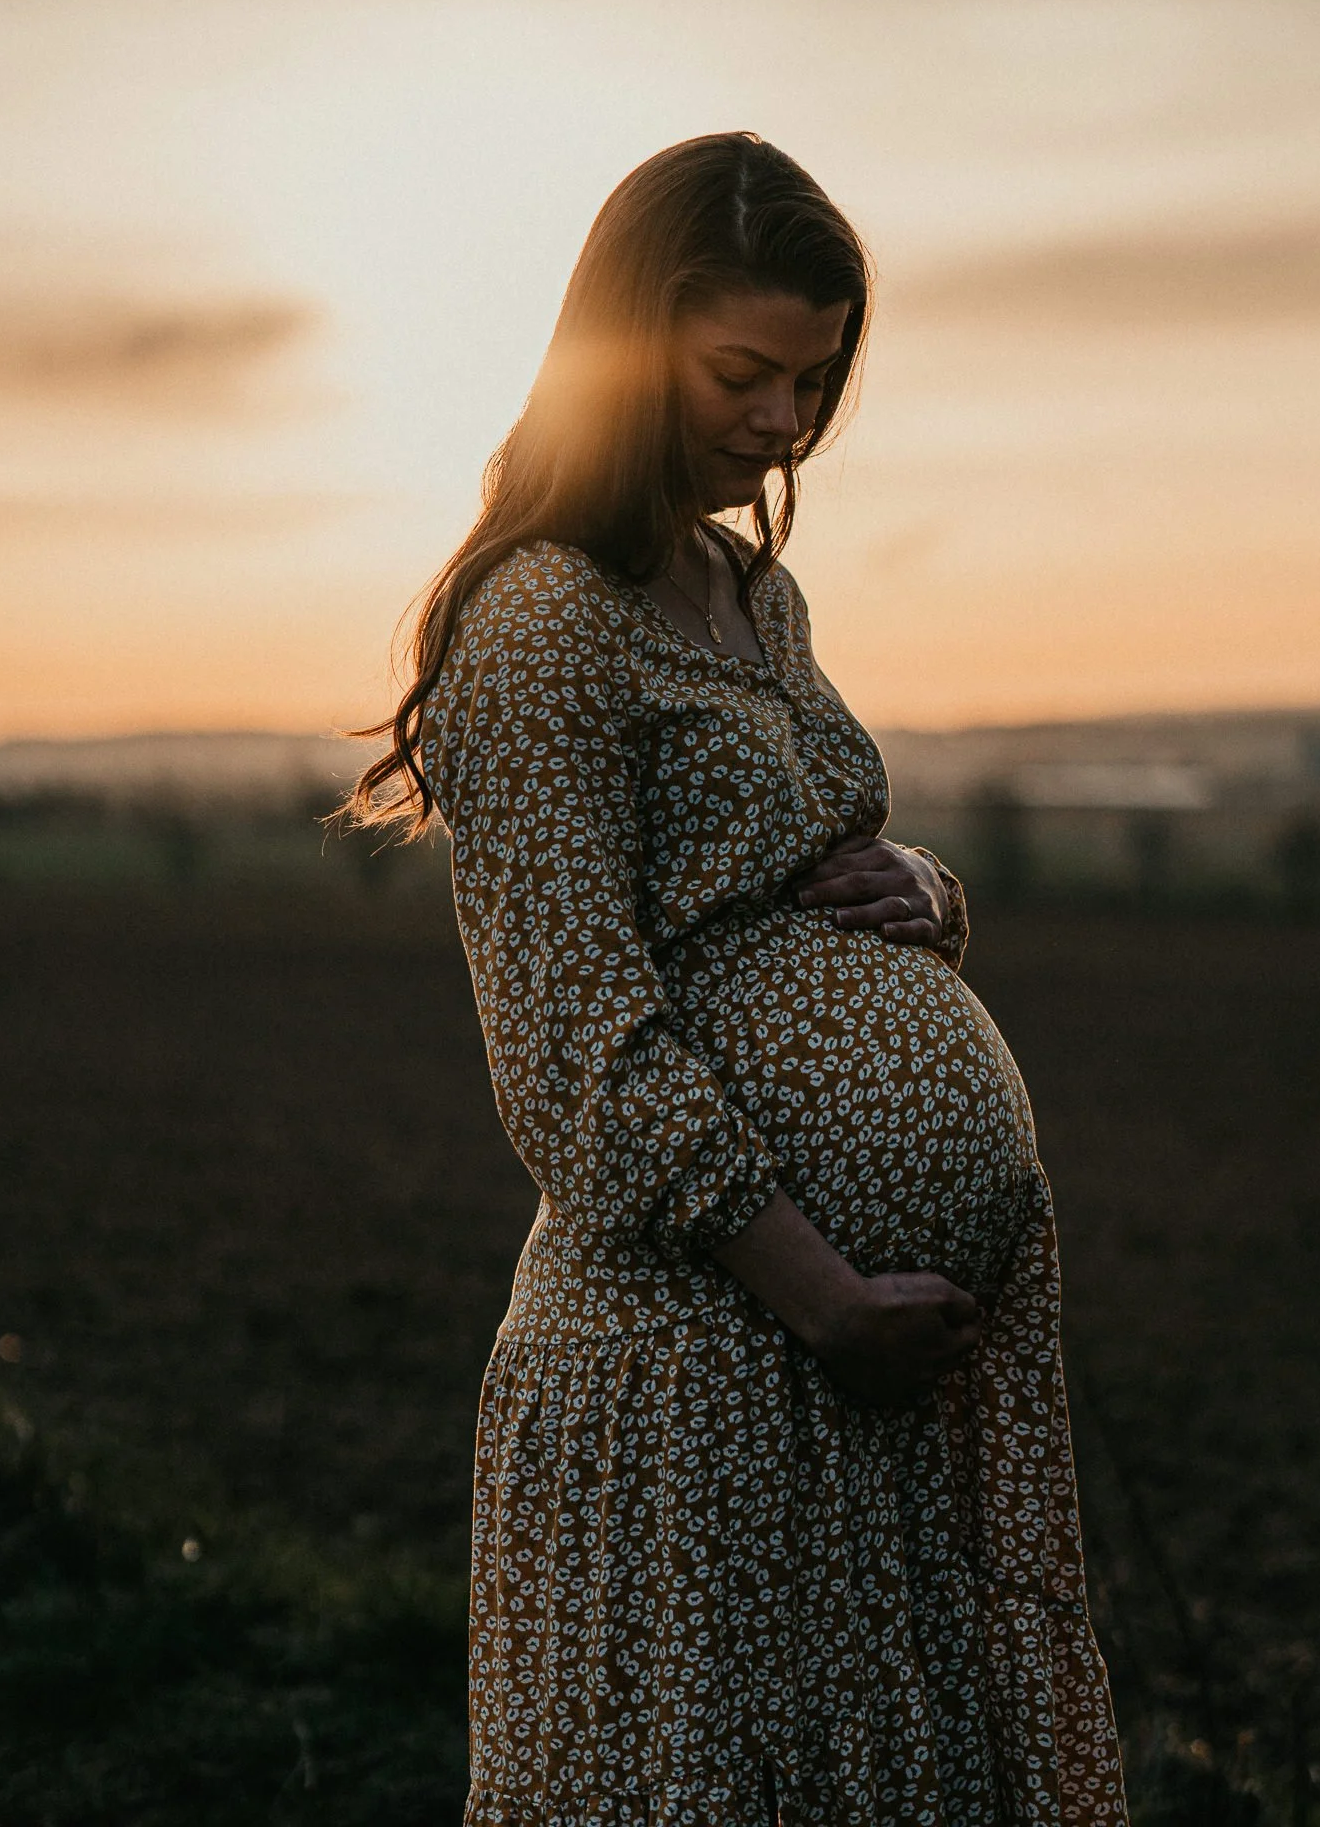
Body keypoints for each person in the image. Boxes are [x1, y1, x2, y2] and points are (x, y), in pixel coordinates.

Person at [345, 133, 1126, 1825]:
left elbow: (798, 879)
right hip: (697, 1364)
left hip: (842, 1392)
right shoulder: (544, 619)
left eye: (813, 380)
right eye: (741, 375)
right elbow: (576, 1049)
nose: (784, 424)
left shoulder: (751, 595)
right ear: (625, 348)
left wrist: (927, 886)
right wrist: (822, 1295)